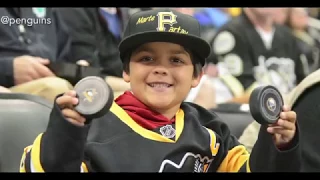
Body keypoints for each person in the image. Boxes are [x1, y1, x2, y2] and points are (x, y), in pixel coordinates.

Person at [20, 9, 300, 172]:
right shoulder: (91, 130)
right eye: (146, 59)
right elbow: (43, 166)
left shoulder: (210, 130)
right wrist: (66, 133)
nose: (161, 69)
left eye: (176, 60)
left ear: (197, 75)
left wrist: (279, 143)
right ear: (126, 72)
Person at [208, 8, 306, 104]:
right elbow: (242, 91)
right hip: (249, 115)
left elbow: (301, 81)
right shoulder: (230, 33)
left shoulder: (287, 35)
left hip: (288, 111)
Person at [0, 8, 73, 102]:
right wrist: (8, 69)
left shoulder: (50, 12)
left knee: (90, 91)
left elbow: (64, 52)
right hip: (7, 89)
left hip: (54, 78)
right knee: (55, 89)